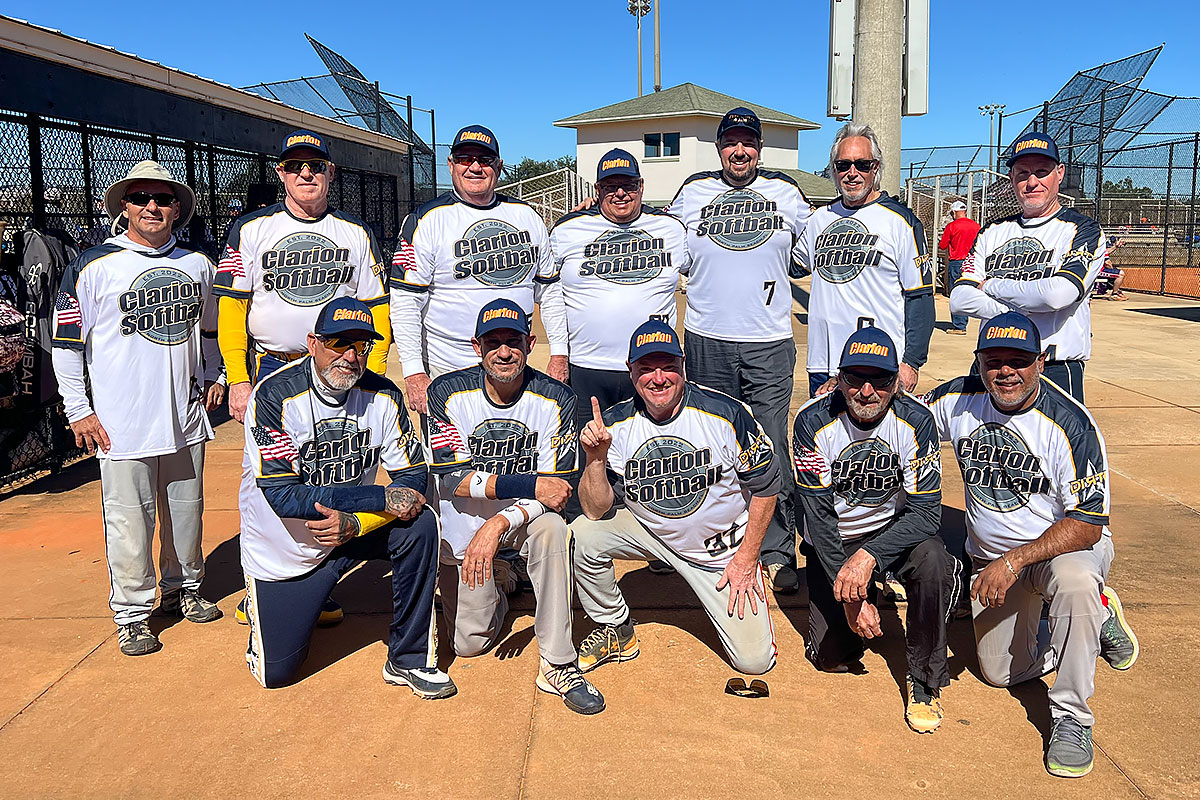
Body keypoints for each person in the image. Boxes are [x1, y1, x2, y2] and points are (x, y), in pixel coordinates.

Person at [923, 311, 1139, 778]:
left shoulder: (1071, 424)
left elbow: (1086, 525)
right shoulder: (958, 399)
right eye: (993, 360)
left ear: (1040, 362)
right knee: (1000, 673)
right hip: (993, 562)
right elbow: (905, 418)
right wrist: (846, 393)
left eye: (1018, 360)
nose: (1005, 371)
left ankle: (1072, 717)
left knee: (1075, 581)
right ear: (978, 362)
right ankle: (1090, 622)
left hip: (1060, 551)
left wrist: (1013, 561)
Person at [237, 297, 453, 696]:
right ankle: (272, 605)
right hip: (285, 549)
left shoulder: (383, 395)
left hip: (348, 532)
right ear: (313, 343)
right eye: (338, 343)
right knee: (277, 675)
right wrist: (378, 499)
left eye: (361, 345)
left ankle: (408, 659)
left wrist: (356, 522)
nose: (350, 356)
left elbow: (414, 478)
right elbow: (284, 497)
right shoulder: (274, 396)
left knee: (422, 524)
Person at [51, 161, 224, 656]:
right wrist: (78, 409)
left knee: (186, 514)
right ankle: (132, 612)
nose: (152, 206)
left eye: (163, 198)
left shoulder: (198, 264)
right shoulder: (92, 265)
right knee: (130, 522)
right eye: (140, 197)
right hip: (121, 424)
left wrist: (215, 373)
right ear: (123, 205)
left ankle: (183, 587)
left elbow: (211, 328)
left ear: (177, 209)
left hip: (185, 418)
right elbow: (66, 344)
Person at [572, 320, 782, 684]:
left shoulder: (725, 413)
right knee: (580, 534)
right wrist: (595, 459)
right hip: (653, 532)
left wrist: (747, 559)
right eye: (646, 368)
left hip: (720, 553)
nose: (658, 378)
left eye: (667, 366)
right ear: (630, 371)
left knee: (754, 663)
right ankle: (616, 627)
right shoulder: (614, 425)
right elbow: (594, 509)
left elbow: (767, 486)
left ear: (683, 365)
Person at [425, 299, 603, 715]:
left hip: (523, 520)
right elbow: (453, 480)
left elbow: (557, 491)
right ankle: (501, 582)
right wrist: (526, 487)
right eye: (493, 342)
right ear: (477, 347)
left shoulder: (557, 397)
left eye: (514, 341)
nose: (504, 352)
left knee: (554, 529)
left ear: (530, 343)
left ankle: (558, 663)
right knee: (469, 644)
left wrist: (499, 524)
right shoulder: (445, 393)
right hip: (464, 526)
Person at [666, 107, 812, 594]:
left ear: (759, 148)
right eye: (731, 141)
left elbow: (813, 246)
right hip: (707, 337)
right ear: (719, 147)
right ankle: (710, 538)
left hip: (768, 340)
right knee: (710, 442)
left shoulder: (785, 192)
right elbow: (661, 239)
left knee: (770, 443)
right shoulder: (693, 191)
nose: (740, 150)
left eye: (748, 141)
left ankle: (776, 549)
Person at [792, 327, 955, 733]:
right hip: (837, 538)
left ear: (896, 382)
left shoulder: (917, 421)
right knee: (832, 656)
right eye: (854, 378)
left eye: (880, 380)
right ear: (839, 378)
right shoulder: (811, 421)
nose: (866, 391)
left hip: (891, 532)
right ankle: (869, 592)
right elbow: (819, 519)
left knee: (933, 559)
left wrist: (869, 558)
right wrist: (852, 598)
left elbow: (926, 513)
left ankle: (925, 679)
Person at [215, 129, 392, 425]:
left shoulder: (356, 232)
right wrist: (238, 379)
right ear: (281, 173)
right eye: (295, 166)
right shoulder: (250, 228)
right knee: (270, 452)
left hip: (339, 364)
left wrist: (372, 373)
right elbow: (232, 307)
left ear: (331, 172)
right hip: (272, 364)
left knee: (340, 449)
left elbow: (376, 307)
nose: (306, 173)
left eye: (316, 166)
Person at [390, 125, 568, 415]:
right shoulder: (425, 220)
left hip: (513, 368)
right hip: (449, 369)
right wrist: (413, 372)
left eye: (485, 160)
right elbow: (405, 302)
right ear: (451, 164)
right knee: (450, 446)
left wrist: (559, 354)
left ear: (498, 166)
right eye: (465, 158)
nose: (475, 167)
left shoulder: (526, 216)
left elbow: (549, 291)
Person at [950, 132, 1107, 403]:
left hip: (1052, 367)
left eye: (1041, 172)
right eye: (1023, 173)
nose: (1032, 182)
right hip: (991, 364)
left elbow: (1058, 294)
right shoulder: (991, 232)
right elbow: (960, 298)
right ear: (1011, 178)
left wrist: (991, 285)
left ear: (1059, 173)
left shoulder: (1082, 230)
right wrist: (1020, 311)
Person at [549, 148, 689, 435]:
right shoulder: (568, 229)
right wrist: (558, 354)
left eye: (628, 185)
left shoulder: (672, 228)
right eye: (611, 186)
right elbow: (547, 292)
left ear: (641, 186)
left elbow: (704, 270)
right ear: (597, 190)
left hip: (651, 366)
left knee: (649, 451)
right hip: (586, 366)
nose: (621, 193)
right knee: (589, 450)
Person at [795, 122, 935, 398]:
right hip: (823, 362)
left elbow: (920, 297)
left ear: (876, 168)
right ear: (834, 169)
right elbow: (792, 265)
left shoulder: (901, 222)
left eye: (862, 164)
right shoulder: (819, 219)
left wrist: (911, 362)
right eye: (843, 165)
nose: (852, 173)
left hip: (876, 363)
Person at [938, 200, 980, 334]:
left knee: (956, 293)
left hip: (957, 262)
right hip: (972, 262)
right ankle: (964, 320)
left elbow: (943, 245)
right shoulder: (976, 226)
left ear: (954, 212)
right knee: (967, 292)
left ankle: (959, 325)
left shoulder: (952, 226)